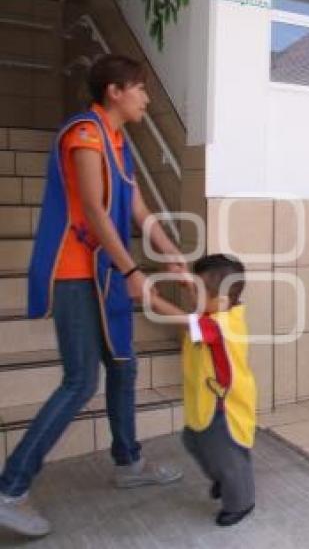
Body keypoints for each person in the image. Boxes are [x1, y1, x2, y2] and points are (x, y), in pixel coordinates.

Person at [0, 55, 185, 538]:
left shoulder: (119, 141)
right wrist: (133, 270)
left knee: (123, 366)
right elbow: (96, 214)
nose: (147, 98)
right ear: (115, 91)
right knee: (81, 380)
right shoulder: (83, 134)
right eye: (141, 89)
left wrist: (172, 254)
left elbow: (138, 208)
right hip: (75, 272)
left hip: (103, 272)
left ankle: (128, 463)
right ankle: (8, 488)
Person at [150, 254, 257, 527]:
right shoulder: (216, 310)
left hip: (223, 404)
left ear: (219, 301)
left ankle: (241, 502)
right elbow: (202, 302)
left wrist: (151, 299)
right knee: (193, 441)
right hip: (207, 399)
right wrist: (186, 280)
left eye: (197, 291)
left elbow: (189, 322)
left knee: (229, 456)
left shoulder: (220, 324)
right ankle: (222, 478)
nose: (191, 296)